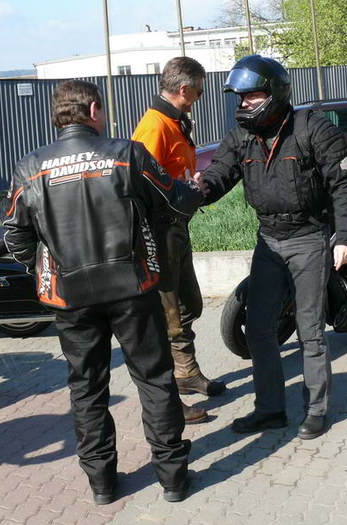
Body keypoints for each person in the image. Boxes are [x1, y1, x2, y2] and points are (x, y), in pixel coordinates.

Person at [4, 80, 199, 505]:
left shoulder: (30, 167)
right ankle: (173, 478)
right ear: (93, 110)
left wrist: (47, 265)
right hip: (132, 287)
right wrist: (191, 190)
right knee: (154, 379)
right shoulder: (126, 154)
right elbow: (172, 201)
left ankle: (102, 485)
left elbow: (15, 236)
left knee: (87, 388)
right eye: (103, 109)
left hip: (71, 296)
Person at [194, 55, 347, 440]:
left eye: (251, 96)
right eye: (240, 97)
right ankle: (269, 409)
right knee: (257, 328)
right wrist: (199, 189)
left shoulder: (313, 129)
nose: (243, 104)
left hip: (309, 238)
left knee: (310, 330)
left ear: (274, 93)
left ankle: (316, 409)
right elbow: (219, 174)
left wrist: (345, 237)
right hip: (268, 240)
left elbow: (343, 186)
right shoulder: (241, 136)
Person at [131, 57, 225, 426]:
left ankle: (187, 372)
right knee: (168, 315)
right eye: (198, 91)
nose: (199, 97)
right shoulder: (154, 126)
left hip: (175, 228)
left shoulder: (174, 120)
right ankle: (169, 398)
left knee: (188, 305)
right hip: (159, 232)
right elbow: (140, 184)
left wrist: (188, 186)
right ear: (184, 89)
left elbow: (168, 174)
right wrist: (181, 192)